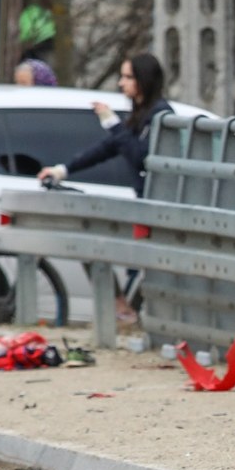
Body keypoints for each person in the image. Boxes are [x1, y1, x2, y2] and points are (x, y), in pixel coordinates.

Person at [37, 52, 171, 325]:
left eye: (128, 77)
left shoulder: (160, 115)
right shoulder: (141, 114)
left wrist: (112, 122)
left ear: (144, 80)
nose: (122, 84)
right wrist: (64, 169)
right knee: (108, 252)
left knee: (122, 257)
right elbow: (108, 148)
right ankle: (125, 311)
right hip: (145, 206)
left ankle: (128, 313)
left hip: (156, 207)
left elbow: (139, 156)